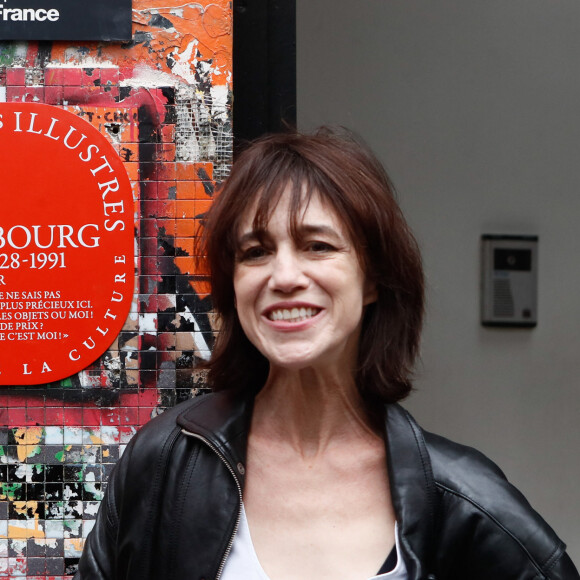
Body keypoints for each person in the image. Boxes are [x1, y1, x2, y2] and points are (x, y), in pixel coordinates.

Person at [76, 129, 579, 580]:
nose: (285, 276)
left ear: (373, 279)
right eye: (256, 252)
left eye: (317, 245)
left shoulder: (461, 497)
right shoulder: (165, 463)